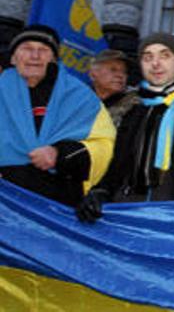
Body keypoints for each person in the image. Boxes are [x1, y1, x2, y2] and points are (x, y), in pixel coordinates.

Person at [77, 33, 174, 222]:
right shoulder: (135, 113)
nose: (155, 64)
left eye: (165, 55)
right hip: (132, 216)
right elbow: (118, 167)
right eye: (147, 57)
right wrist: (100, 191)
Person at [0, 24, 114, 206]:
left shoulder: (80, 95)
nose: (35, 56)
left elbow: (103, 143)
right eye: (27, 48)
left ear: (53, 58)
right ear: (13, 58)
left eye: (43, 50)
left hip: (57, 204)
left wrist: (59, 153)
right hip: (6, 206)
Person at [89, 48, 139, 126]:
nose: (120, 75)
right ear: (93, 74)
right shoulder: (79, 99)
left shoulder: (134, 104)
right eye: (113, 70)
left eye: (124, 72)